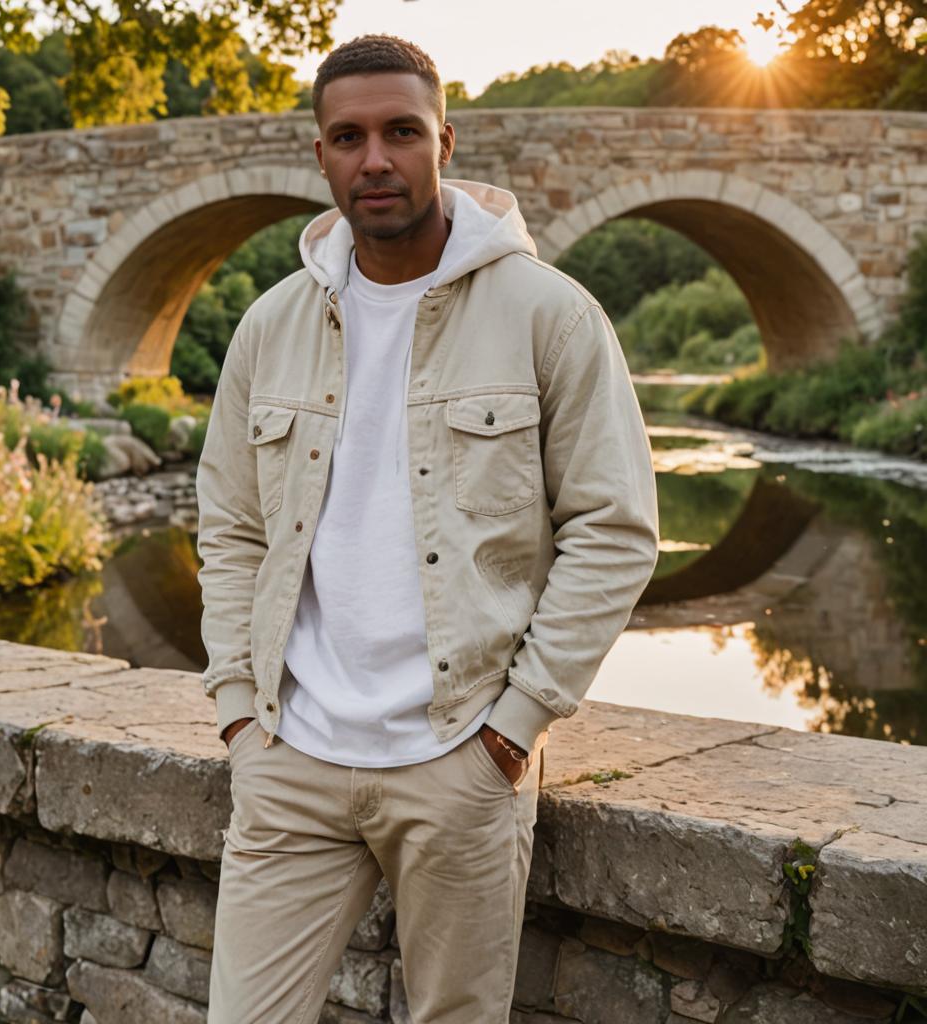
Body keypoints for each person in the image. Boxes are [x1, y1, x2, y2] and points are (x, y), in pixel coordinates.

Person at [195, 33, 659, 1024]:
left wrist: (512, 728)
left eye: (401, 132)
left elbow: (614, 528)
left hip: (458, 757)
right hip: (291, 758)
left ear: (445, 141)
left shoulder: (551, 314)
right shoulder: (269, 327)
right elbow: (231, 525)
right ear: (317, 155)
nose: (375, 159)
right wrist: (240, 707)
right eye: (348, 136)